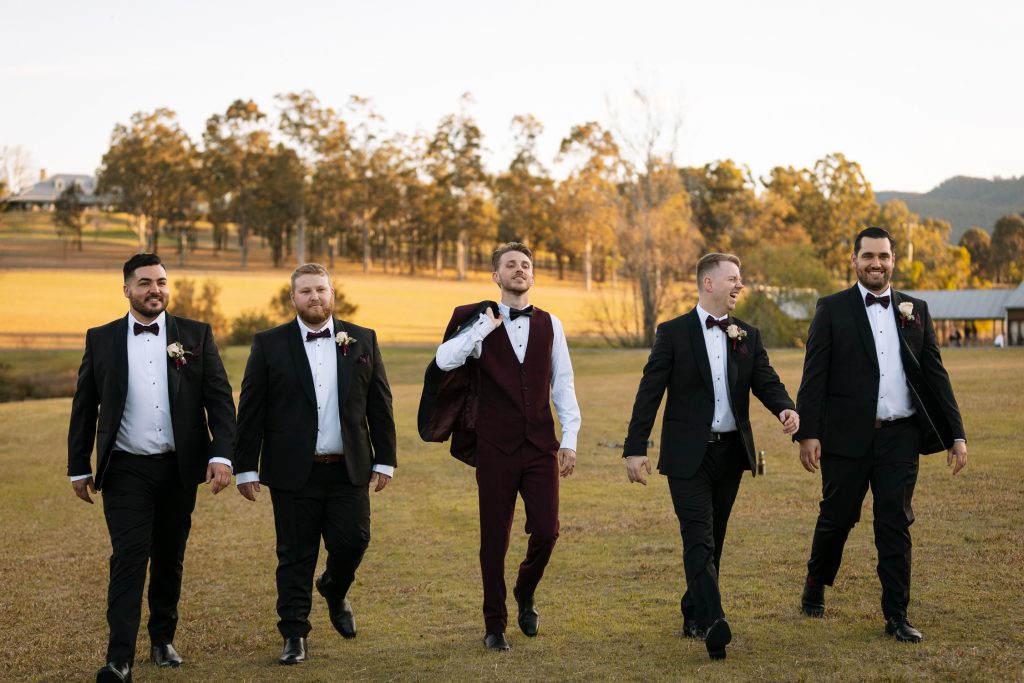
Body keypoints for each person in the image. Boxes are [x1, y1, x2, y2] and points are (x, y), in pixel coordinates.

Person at [67, 253, 236, 683]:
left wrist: (221, 455)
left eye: (160, 281)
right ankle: (119, 660)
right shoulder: (101, 338)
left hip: (179, 468)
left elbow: (219, 399)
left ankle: (162, 639)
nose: (154, 289)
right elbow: (85, 406)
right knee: (128, 558)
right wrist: (78, 466)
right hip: (125, 468)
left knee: (169, 556)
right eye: (144, 283)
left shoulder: (195, 335)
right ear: (126, 289)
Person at [795, 227, 968, 643]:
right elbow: (814, 376)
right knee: (837, 518)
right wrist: (808, 433)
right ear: (854, 260)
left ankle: (897, 615)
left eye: (884, 256)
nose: (877, 263)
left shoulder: (916, 309)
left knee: (894, 523)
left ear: (893, 260)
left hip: (900, 437)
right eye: (869, 256)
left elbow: (936, 374)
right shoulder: (831, 308)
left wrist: (956, 434)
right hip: (845, 438)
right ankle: (816, 582)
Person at [622, 252, 798, 660]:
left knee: (714, 538)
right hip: (687, 456)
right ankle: (714, 620)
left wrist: (786, 408)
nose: (739, 285)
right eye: (732, 278)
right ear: (708, 283)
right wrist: (635, 448)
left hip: (731, 454)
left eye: (740, 278)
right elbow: (649, 393)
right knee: (697, 536)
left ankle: (692, 611)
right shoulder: (673, 333)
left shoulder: (747, 334)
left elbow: (766, 380)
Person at [233, 263, 396, 665]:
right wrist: (245, 467)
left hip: (348, 468)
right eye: (305, 291)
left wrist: (386, 459)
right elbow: (251, 408)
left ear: (332, 294)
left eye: (321, 289)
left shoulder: (362, 338)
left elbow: (379, 403)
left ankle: (334, 589)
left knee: (354, 540)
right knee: (295, 555)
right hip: (292, 471)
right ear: (293, 298)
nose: (315, 297)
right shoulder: (269, 343)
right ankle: (294, 634)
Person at [434, 242, 581, 651]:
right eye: (510, 265)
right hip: (494, 447)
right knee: (494, 539)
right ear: (496, 277)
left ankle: (524, 589)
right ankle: (494, 624)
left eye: (525, 265)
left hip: (540, 446)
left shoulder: (551, 324)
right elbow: (445, 360)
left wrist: (569, 439)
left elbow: (563, 383)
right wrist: (482, 328)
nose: (519, 270)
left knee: (547, 531)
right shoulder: (478, 324)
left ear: (532, 275)